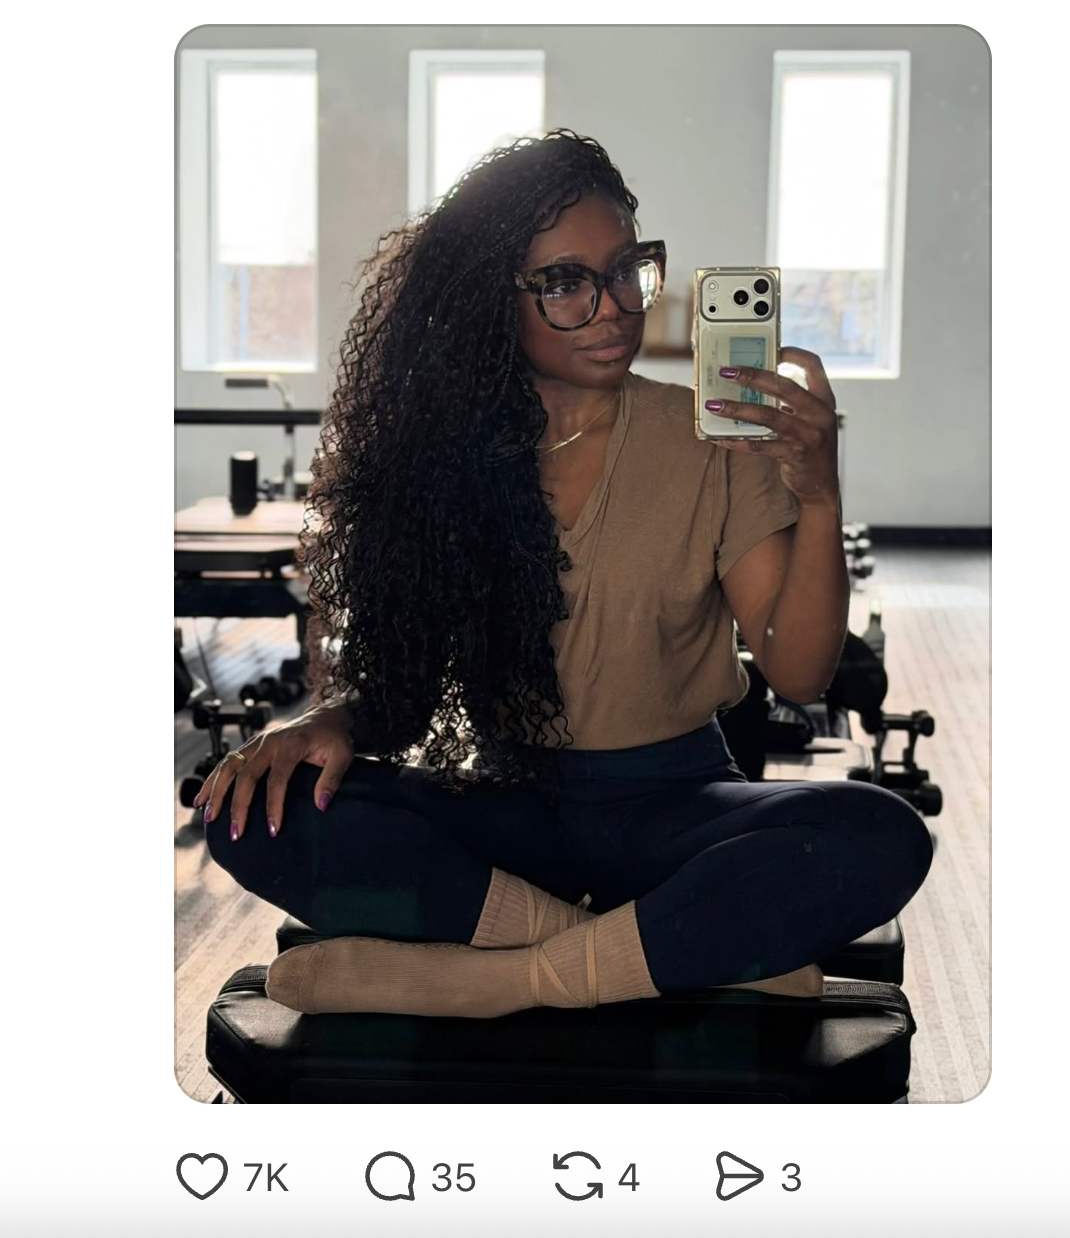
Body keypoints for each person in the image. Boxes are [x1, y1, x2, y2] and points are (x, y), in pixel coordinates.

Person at [200, 130, 932, 1018]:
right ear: (490, 299)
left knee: (880, 835)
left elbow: (800, 673)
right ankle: (656, 950)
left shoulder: (714, 441)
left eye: (626, 270)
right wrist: (330, 720)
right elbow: (404, 691)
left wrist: (819, 497)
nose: (614, 308)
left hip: (674, 808)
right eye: (564, 283)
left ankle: (504, 979)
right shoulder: (439, 459)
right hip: (508, 812)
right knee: (248, 809)